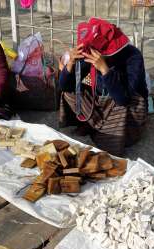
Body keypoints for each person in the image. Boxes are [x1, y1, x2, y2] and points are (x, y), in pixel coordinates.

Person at [59, 18, 148, 156]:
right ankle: (92, 124)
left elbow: (123, 99)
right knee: (70, 93)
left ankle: (101, 131)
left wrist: (104, 69)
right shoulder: (91, 51)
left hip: (123, 103)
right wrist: (70, 63)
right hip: (100, 102)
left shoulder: (133, 56)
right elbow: (65, 87)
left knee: (124, 107)